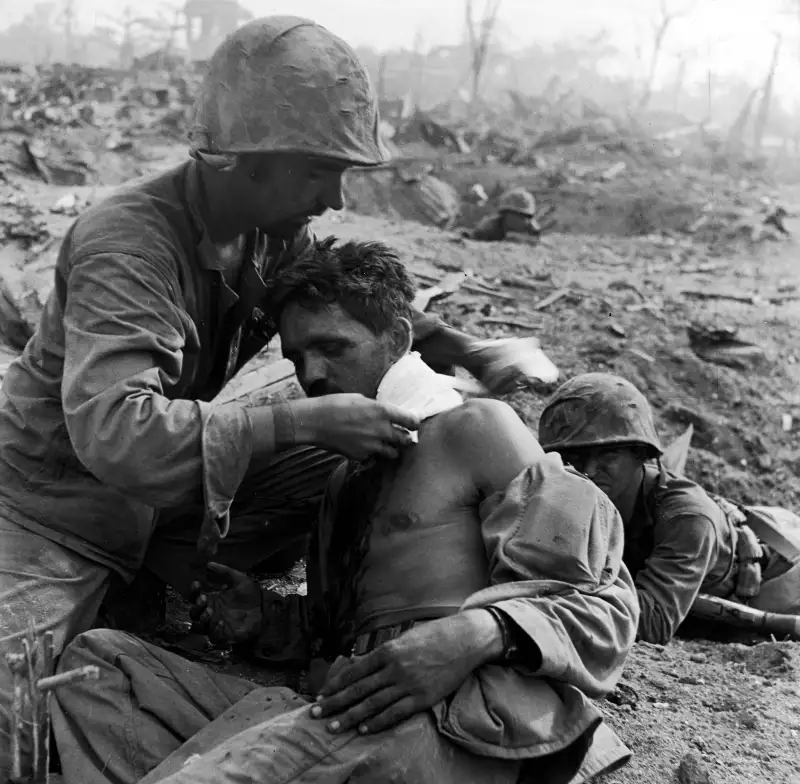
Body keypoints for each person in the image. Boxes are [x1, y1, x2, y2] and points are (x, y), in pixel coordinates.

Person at [0, 16, 544, 779]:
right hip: (52, 512)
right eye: (319, 169)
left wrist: (462, 348)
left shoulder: (269, 233)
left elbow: (348, 305)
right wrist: (293, 422)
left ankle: (194, 591)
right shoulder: (128, 244)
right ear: (245, 161)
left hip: (160, 497)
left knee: (369, 434)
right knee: (15, 723)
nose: (335, 194)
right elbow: (118, 437)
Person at [51, 238, 639, 784]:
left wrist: (473, 635)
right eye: (297, 357)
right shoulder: (343, 476)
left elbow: (601, 598)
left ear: (397, 336)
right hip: (343, 709)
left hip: (452, 720)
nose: (312, 375)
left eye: (333, 347)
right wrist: (264, 617)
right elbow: (343, 630)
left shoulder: (476, 429)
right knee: (100, 669)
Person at [538, 372, 800, 645]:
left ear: (640, 454)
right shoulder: (573, 488)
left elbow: (653, 622)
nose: (589, 470)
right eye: (575, 456)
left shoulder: (683, 518)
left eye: (608, 455)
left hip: (779, 580)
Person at [465, 187, 551, 242]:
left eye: (523, 216)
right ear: (505, 214)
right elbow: (475, 236)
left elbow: (539, 241)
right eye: (515, 214)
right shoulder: (492, 225)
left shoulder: (532, 229)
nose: (519, 220)